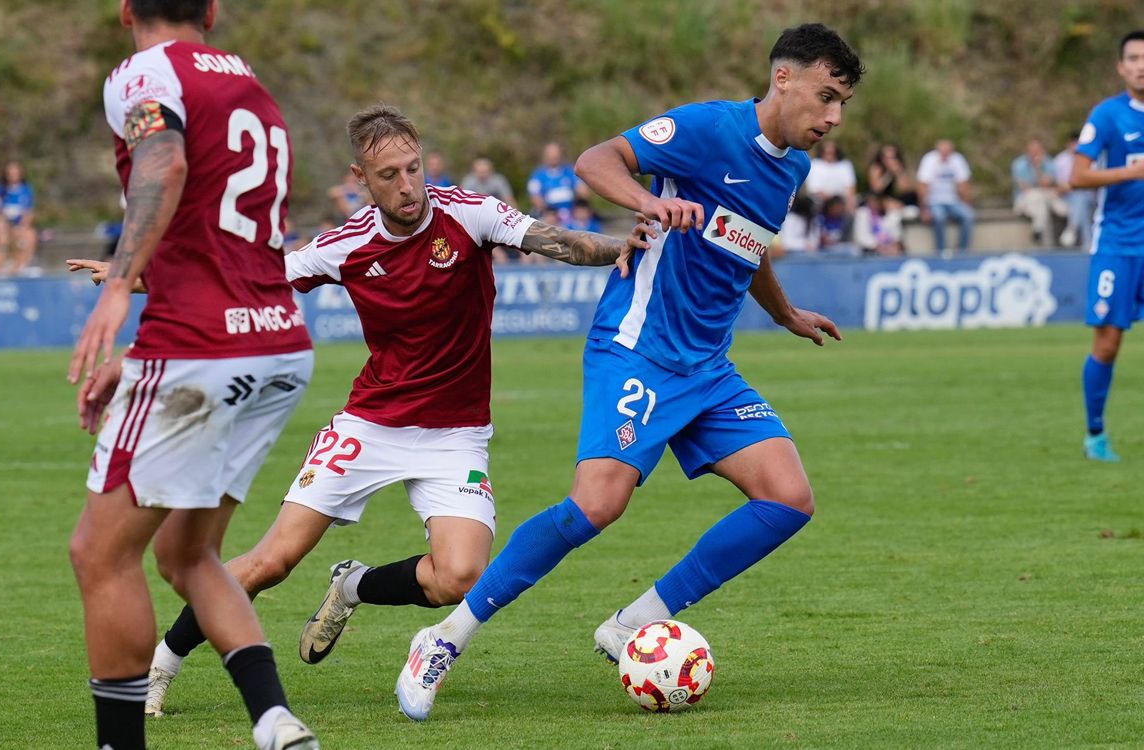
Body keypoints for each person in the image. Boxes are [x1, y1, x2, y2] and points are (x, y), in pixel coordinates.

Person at [73, 104, 649, 718]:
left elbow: (556, 241)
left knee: (458, 576)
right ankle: (161, 667)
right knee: (271, 562)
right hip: (369, 426)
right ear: (361, 179)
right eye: (389, 175)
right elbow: (242, 280)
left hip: (456, 437)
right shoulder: (343, 246)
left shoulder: (470, 213)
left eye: (414, 168)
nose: (407, 186)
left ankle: (353, 584)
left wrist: (623, 246)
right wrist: (129, 276)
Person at [394, 22, 861, 721]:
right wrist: (645, 201)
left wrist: (786, 311)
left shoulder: (789, 167)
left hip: (707, 366)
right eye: (826, 96)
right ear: (784, 78)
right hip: (638, 345)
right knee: (597, 505)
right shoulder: (709, 129)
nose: (833, 117)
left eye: (843, 104)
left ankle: (631, 622)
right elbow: (596, 158)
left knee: (788, 499)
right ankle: (444, 636)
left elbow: (751, 240)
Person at [65, 2, 319, 748]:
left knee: (99, 553)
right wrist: (142, 360)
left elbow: (165, 160)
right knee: (186, 552)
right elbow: (219, 243)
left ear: (123, 9)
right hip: (276, 343)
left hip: (203, 348)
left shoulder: (145, 72)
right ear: (212, 9)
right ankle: (274, 719)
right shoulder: (249, 82)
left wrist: (119, 285)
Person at [1072, 29, 1144, 462]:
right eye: (1133, 57)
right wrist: (1130, 172)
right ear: (1121, 67)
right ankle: (1095, 435)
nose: (1141, 65)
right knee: (1108, 344)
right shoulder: (1107, 115)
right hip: (1119, 245)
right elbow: (1077, 176)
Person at [916, 139, 975, 255]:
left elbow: (963, 184)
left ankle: (962, 251)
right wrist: (923, 209)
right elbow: (922, 186)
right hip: (934, 200)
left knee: (968, 216)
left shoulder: (957, 159)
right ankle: (941, 250)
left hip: (953, 200)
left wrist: (967, 202)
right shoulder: (929, 160)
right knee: (939, 217)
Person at [1011, 137, 1068, 245]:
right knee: (1039, 201)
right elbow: (1025, 188)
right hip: (1027, 200)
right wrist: (1036, 170)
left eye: (1037, 150)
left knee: (1060, 208)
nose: (1034, 153)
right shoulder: (1018, 165)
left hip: (1046, 197)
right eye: (1032, 150)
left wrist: (1038, 168)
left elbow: (1048, 183)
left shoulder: (1048, 162)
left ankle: (1039, 231)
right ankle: (1039, 234)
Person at [1053, 131, 1095, 249]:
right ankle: (1087, 243)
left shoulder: (1090, 159)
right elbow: (1056, 185)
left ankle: (1072, 228)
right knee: (1080, 203)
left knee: (1080, 198)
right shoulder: (1059, 161)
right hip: (1066, 197)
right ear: (1069, 144)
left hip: (1088, 196)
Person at [527, 141, 588, 221]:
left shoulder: (570, 171)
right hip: (550, 213)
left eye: (556, 153)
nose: (554, 156)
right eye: (551, 153)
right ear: (545, 155)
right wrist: (549, 212)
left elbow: (584, 192)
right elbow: (535, 197)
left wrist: (578, 202)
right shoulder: (538, 175)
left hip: (571, 212)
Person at [867, 142, 918, 219]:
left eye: (893, 157)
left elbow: (905, 189)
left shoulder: (899, 169)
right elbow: (876, 189)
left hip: (894, 199)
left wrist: (898, 173)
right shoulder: (876, 168)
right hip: (878, 200)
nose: (889, 160)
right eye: (886, 158)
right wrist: (888, 174)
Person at [805, 139, 857, 212]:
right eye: (827, 152)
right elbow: (813, 189)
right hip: (821, 203)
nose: (830, 155)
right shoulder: (815, 164)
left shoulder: (845, 165)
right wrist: (831, 201)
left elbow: (851, 187)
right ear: (822, 152)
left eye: (832, 152)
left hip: (842, 203)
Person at [854, 190, 904, 256]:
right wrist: (878, 246)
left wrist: (893, 246)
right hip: (869, 252)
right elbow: (862, 237)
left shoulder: (891, 215)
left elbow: (896, 236)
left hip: (889, 251)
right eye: (870, 201)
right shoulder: (862, 213)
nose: (873, 204)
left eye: (876, 201)